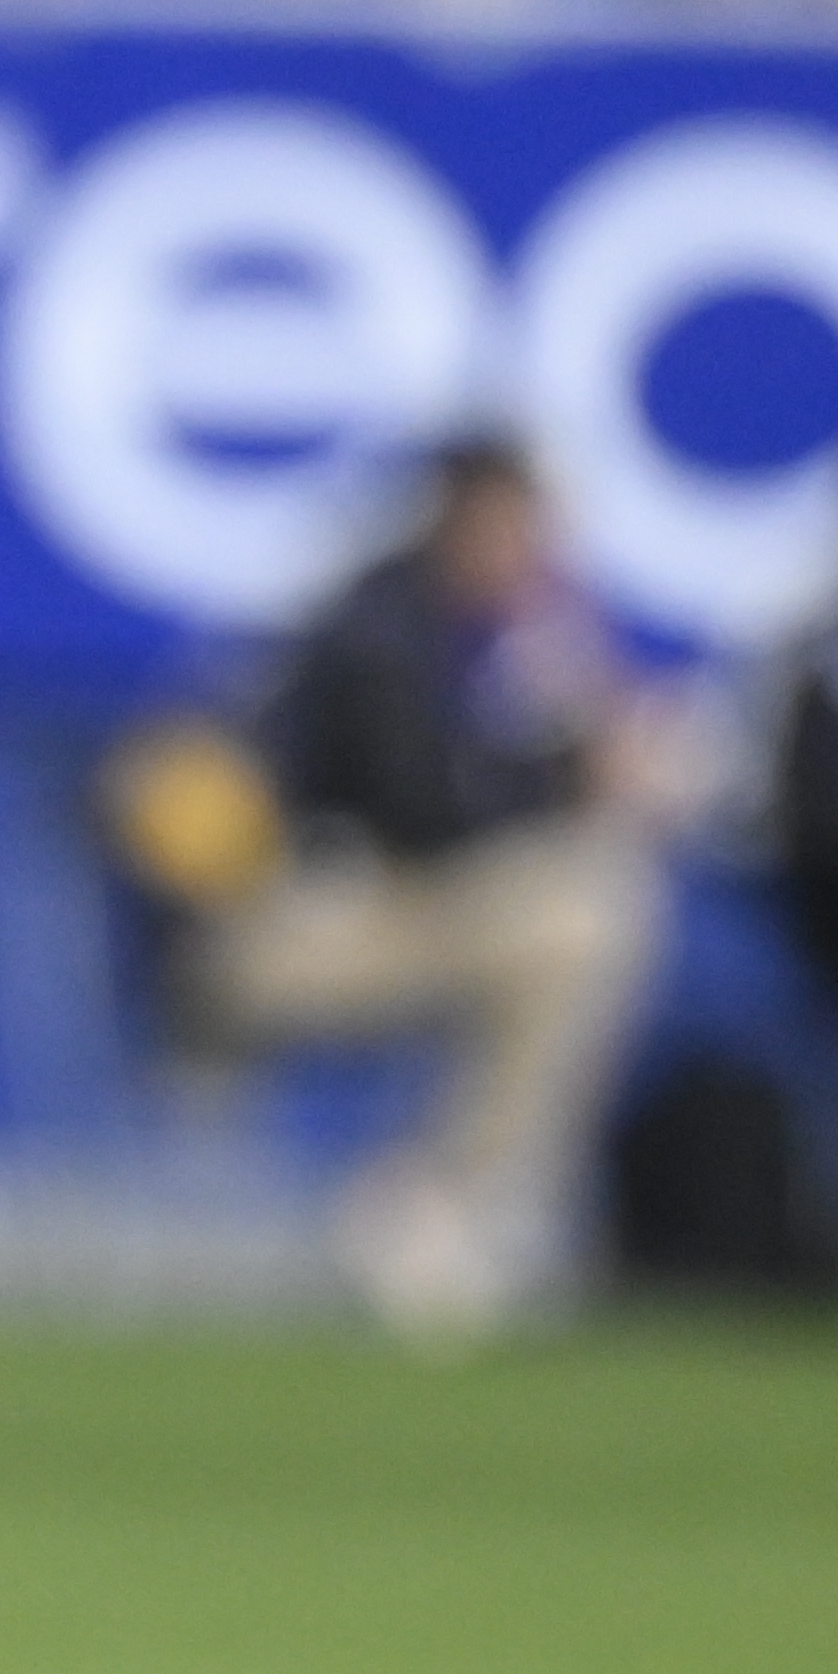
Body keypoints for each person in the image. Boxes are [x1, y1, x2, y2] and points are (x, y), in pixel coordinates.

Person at [146, 430, 691, 1342]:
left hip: (410, 915)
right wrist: (578, 775)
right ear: (449, 516)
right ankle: (444, 1207)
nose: (514, 545)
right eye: (495, 521)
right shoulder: (379, 623)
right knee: (584, 910)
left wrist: (609, 746)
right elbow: (423, 801)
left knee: (598, 913)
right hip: (296, 924)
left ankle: (448, 1203)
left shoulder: (530, 628)